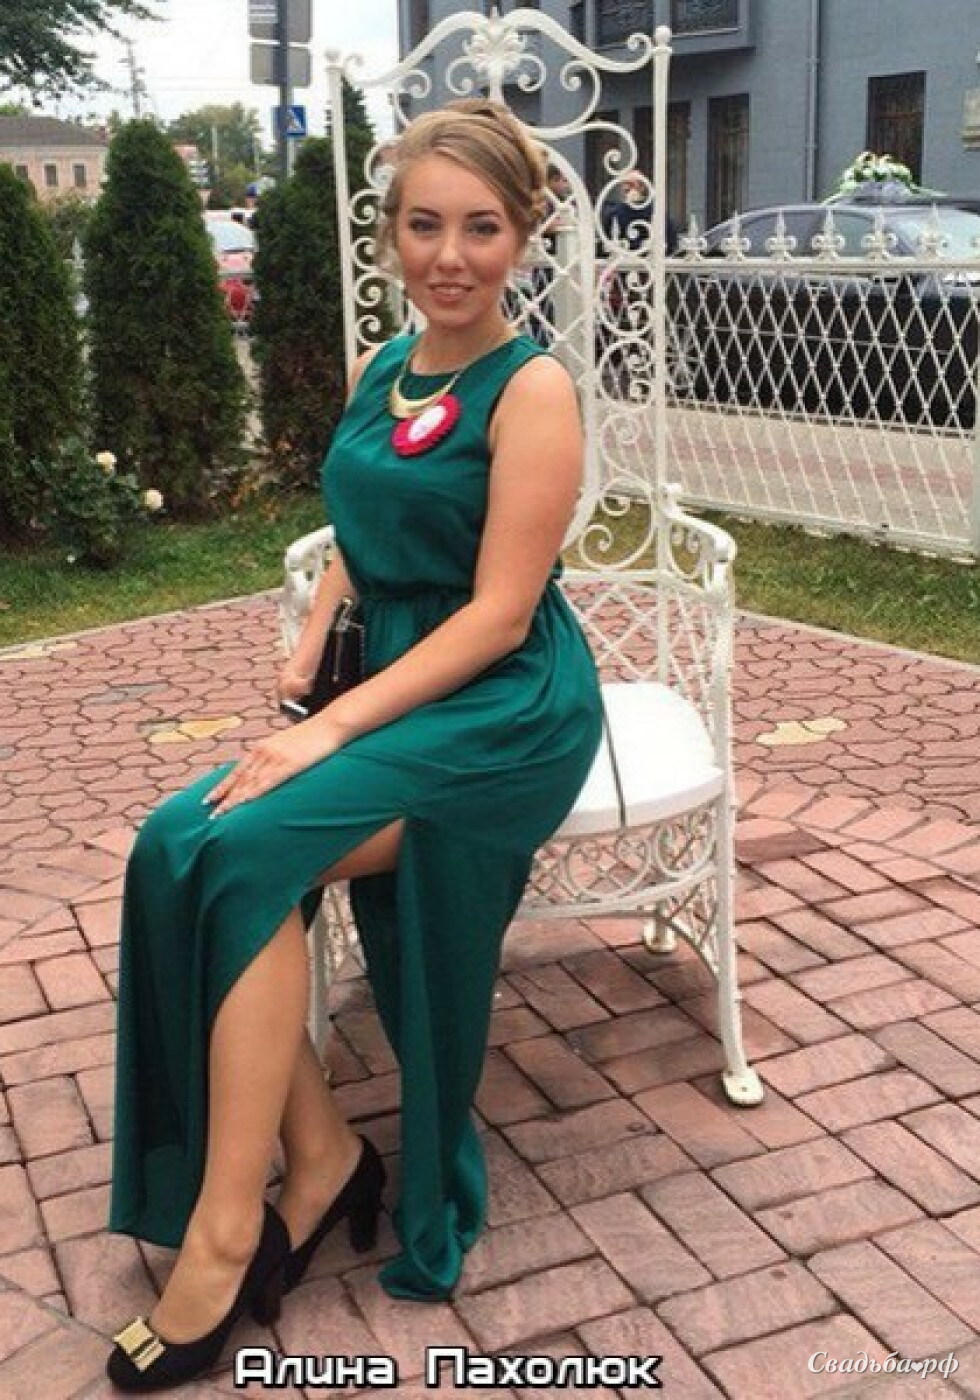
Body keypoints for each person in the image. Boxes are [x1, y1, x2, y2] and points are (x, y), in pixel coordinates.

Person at [105, 97, 603, 1391]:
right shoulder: (387, 367)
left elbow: (499, 615)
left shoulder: (533, 389)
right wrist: (326, 620)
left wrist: (326, 726)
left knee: (243, 849)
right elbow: (365, 518)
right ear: (391, 233)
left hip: (502, 707)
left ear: (522, 237)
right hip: (391, 684)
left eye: (481, 228)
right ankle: (323, 1157)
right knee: (176, 842)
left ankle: (229, 1229)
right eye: (425, 225)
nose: (451, 255)